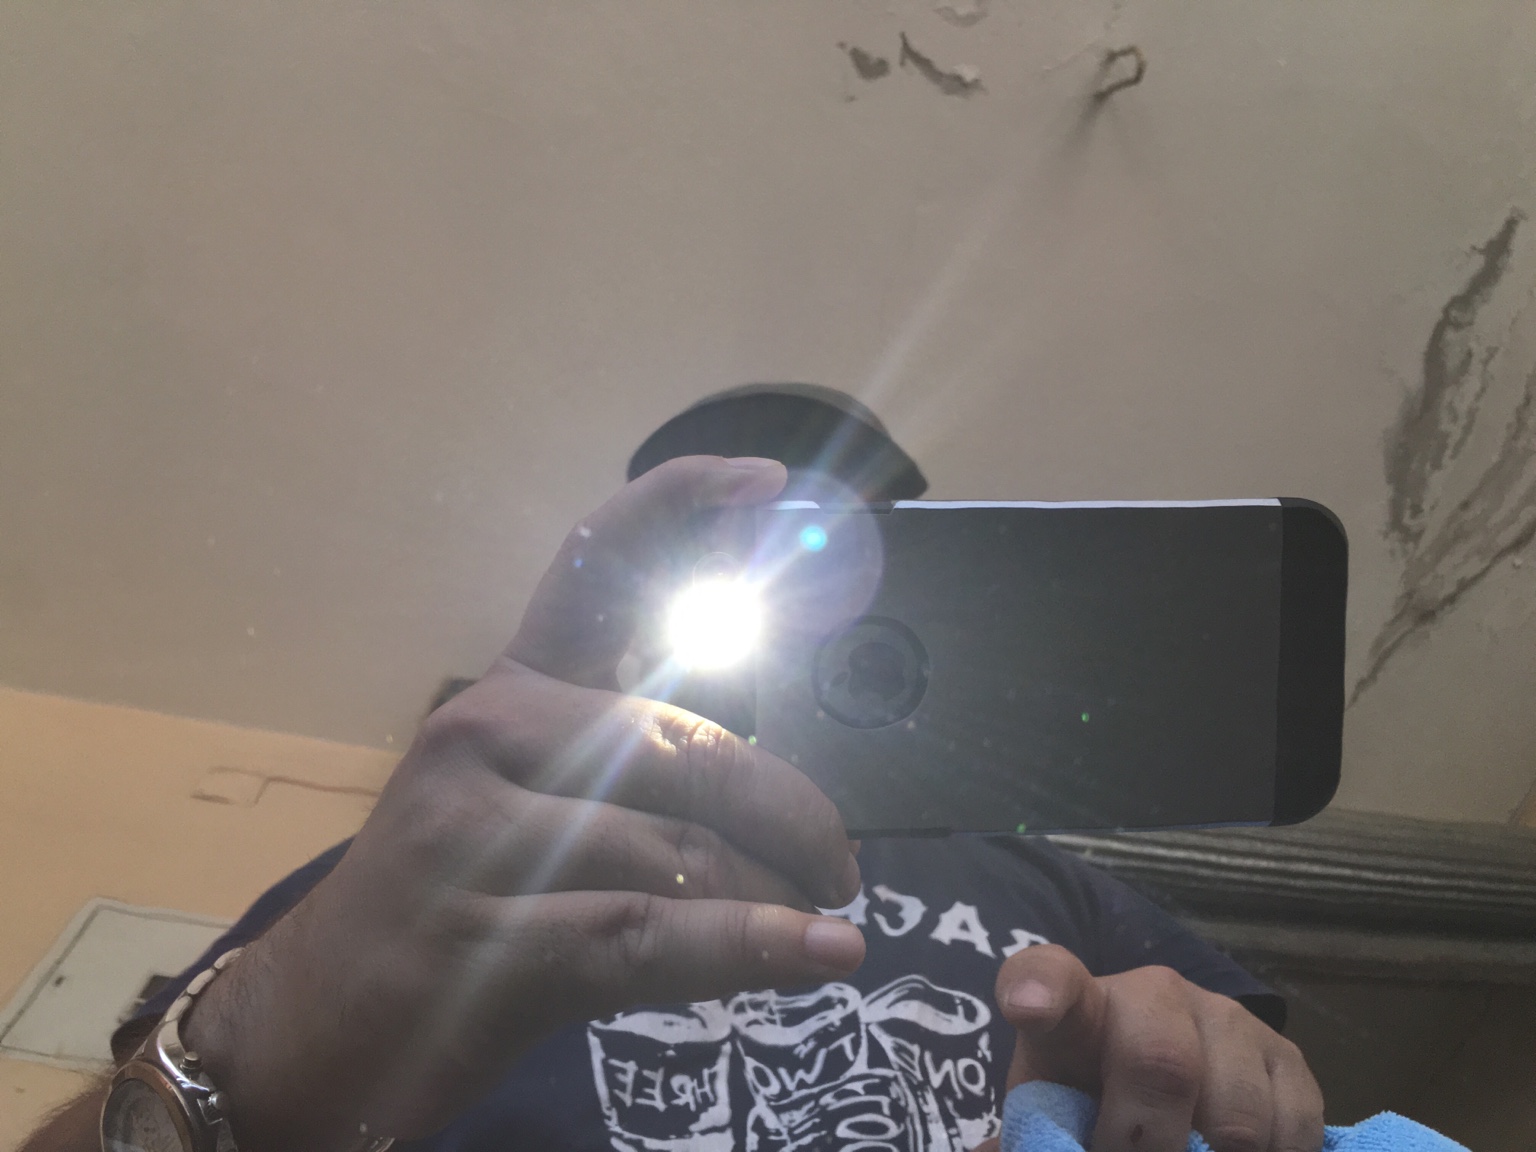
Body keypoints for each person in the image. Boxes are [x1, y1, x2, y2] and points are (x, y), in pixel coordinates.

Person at [27, 385, 1324, 1152]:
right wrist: (242, 1056)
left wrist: (1202, 1068)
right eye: (730, 548)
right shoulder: (431, 860)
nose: (793, 588)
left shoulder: (1041, 876)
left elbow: (1275, 1088)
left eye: (843, 552)